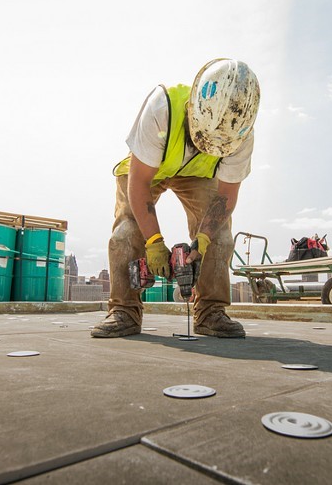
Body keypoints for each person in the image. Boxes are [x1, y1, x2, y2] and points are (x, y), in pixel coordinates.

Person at [91, 59, 260, 338]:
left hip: (198, 175)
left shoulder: (241, 133)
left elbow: (226, 197)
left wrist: (202, 241)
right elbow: (140, 182)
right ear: (194, 108)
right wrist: (154, 243)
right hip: (146, 170)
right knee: (126, 232)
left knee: (219, 235)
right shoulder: (162, 107)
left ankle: (210, 312)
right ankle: (124, 310)